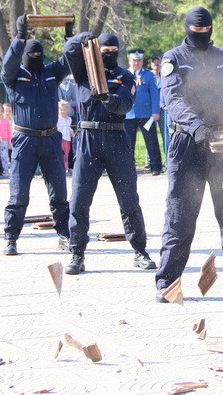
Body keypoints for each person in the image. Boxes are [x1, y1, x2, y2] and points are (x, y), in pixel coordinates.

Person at [155, 6, 223, 301]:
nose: (200, 35)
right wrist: (196, 126)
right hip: (188, 144)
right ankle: (167, 282)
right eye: (196, 31)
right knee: (180, 215)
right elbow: (173, 98)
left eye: (205, 30)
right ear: (187, 29)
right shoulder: (174, 59)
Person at [62, 31, 155, 273]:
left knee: (129, 199)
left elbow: (125, 104)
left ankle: (140, 251)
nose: (110, 55)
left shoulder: (125, 76)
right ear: (97, 51)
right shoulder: (83, 72)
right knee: (79, 199)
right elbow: (69, 51)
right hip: (88, 138)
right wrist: (81, 38)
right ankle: (77, 254)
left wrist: (107, 98)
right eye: (105, 51)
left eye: (114, 51)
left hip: (116, 138)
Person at [1, 18, 71, 256]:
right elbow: (9, 62)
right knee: (19, 192)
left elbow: (69, 60)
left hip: (51, 138)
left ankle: (64, 234)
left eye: (39, 54)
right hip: (25, 141)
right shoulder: (14, 76)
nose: (35, 56)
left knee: (59, 192)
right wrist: (20, 38)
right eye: (31, 54)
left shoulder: (51, 73)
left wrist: (69, 37)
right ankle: (11, 237)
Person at [125, 49, 163, 176]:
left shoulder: (148, 75)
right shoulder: (124, 74)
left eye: (139, 61)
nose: (137, 63)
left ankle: (156, 166)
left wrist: (155, 111)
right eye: (134, 60)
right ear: (129, 61)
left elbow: (154, 94)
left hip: (146, 114)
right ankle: (129, 168)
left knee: (152, 141)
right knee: (128, 143)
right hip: (128, 114)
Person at [58, 101, 73, 171]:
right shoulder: (58, 119)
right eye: (61, 110)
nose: (63, 111)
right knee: (61, 153)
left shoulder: (69, 119)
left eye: (64, 110)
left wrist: (71, 131)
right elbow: (57, 129)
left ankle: (66, 167)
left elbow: (69, 127)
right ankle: (62, 167)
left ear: (68, 110)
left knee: (67, 153)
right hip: (61, 139)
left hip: (67, 139)